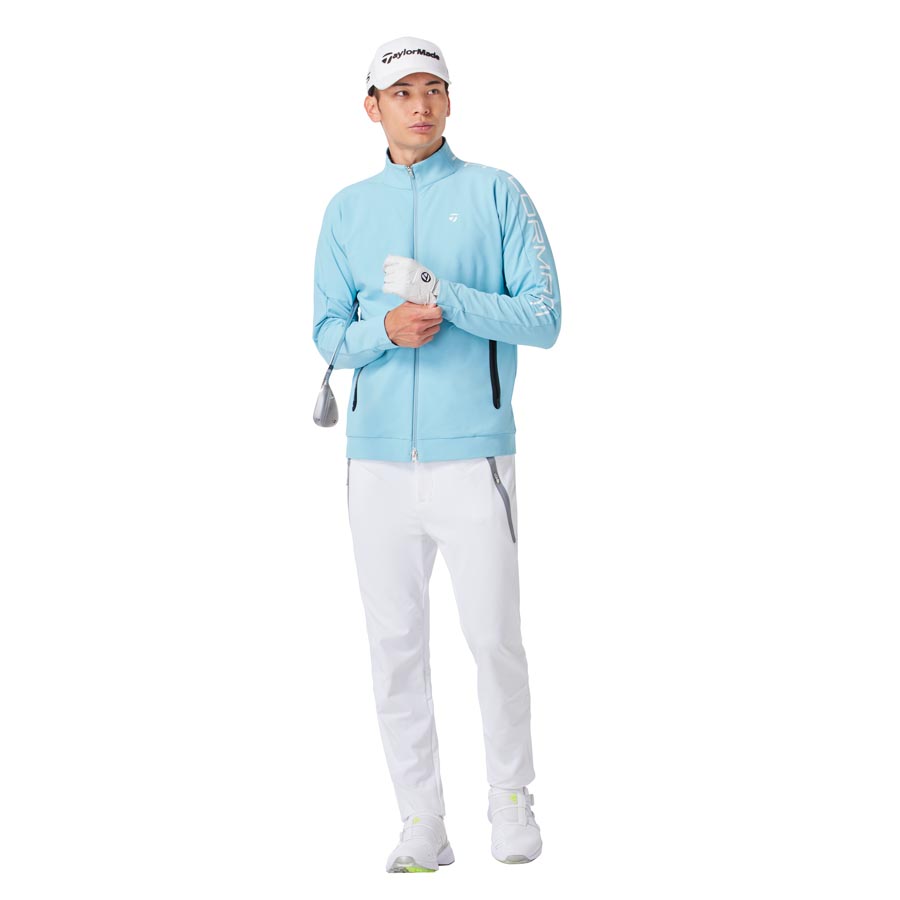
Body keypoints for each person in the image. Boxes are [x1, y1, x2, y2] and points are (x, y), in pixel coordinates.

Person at [312, 35, 561, 872]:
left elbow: (544, 318)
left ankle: (511, 798)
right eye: (402, 91)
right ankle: (422, 820)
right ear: (372, 107)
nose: (420, 104)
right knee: (395, 649)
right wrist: (384, 329)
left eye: (434, 89)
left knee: (493, 638)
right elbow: (326, 334)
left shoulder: (497, 194)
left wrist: (442, 296)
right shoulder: (347, 211)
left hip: (473, 458)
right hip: (377, 463)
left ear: (450, 101)